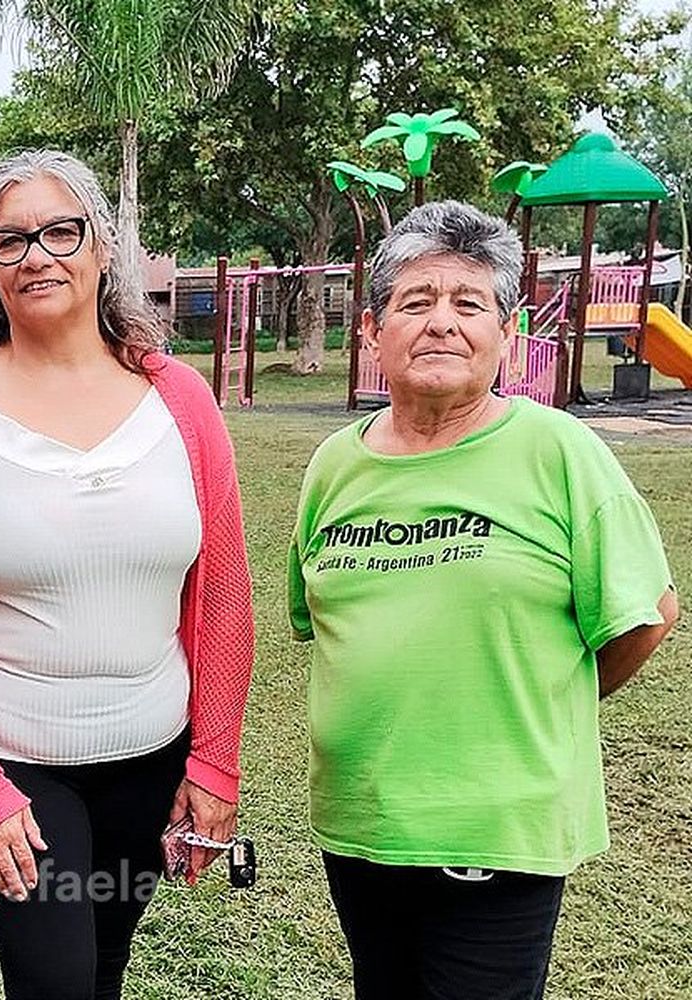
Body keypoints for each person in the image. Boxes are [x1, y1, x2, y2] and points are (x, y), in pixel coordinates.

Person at [0, 149, 256, 1000]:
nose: (36, 254)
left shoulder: (181, 402)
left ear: (102, 246)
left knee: (104, 967)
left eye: (59, 231)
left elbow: (224, 593)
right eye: (9, 240)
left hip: (151, 757)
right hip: (14, 761)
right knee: (56, 982)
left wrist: (215, 763)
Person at [288, 201, 680, 1000]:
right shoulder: (335, 465)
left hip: (496, 822)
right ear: (372, 331)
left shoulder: (559, 451)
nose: (441, 323)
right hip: (362, 820)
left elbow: (648, 613)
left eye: (469, 304)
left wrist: (545, 699)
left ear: (506, 334)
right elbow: (318, 618)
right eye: (414, 302)